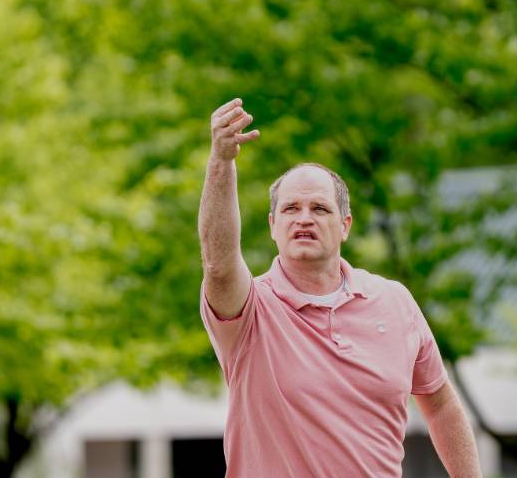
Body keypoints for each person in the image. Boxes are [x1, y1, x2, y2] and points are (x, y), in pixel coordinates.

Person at [199, 98, 482, 477]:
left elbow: (441, 403)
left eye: (319, 209)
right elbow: (218, 265)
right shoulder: (251, 310)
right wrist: (222, 160)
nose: (304, 219)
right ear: (271, 225)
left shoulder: (394, 301)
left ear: (345, 225)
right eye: (290, 209)